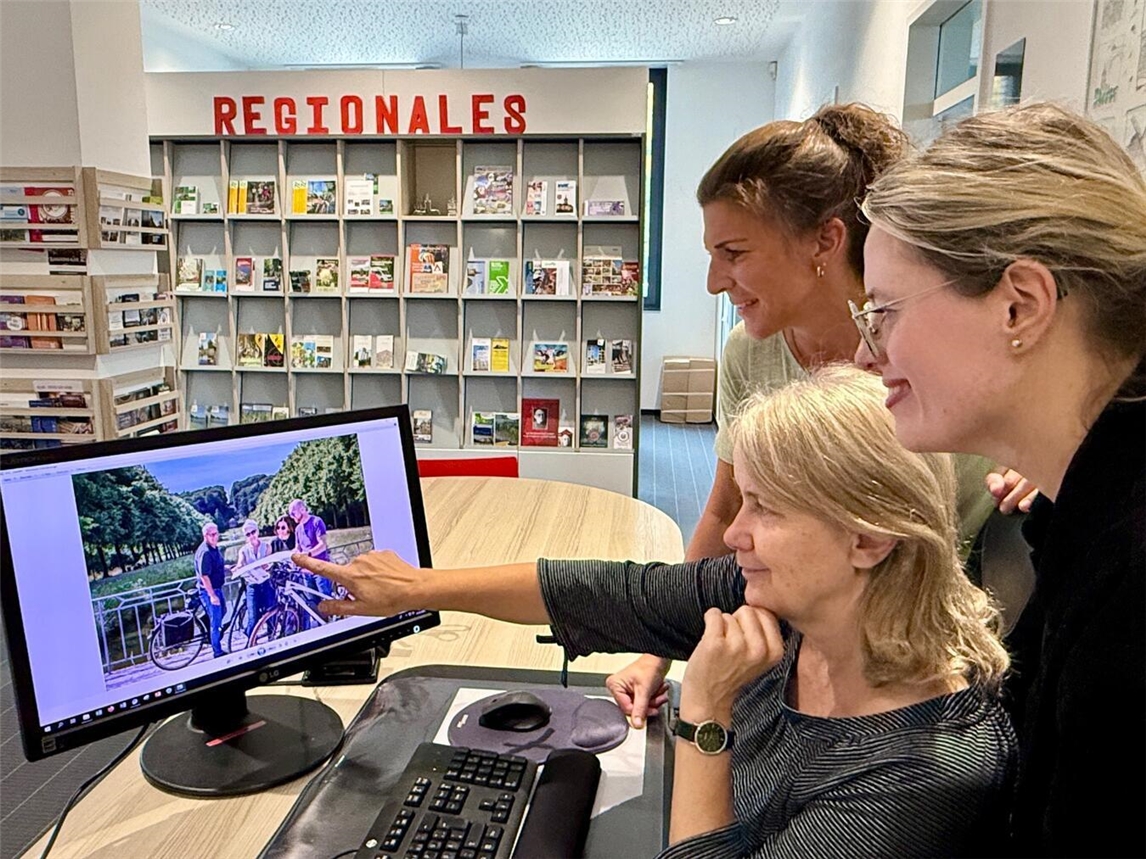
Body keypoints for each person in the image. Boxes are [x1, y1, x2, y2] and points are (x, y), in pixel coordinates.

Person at [296, 366, 1016, 857]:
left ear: (866, 537)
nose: (734, 534)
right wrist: (417, 587)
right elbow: (607, 591)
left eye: (765, 509)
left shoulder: (924, 772)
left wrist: (705, 711)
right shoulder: (798, 605)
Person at [610, 103, 1015, 729]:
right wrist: (659, 652)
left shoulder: (926, 351)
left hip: (917, 687)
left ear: (826, 239)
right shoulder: (752, 352)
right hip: (798, 660)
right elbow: (724, 510)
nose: (717, 281)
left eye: (735, 252)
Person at [854, 102, 1145, 857]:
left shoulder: (1132, 588)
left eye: (883, 312)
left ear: (1021, 304)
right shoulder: (1087, 516)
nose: (865, 354)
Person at [235, 519, 276, 637]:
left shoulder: (266, 546)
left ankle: (271, 636)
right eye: (248, 534)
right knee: (253, 616)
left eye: (253, 532)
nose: (251, 536)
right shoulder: (243, 550)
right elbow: (240, 563)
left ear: (257, 531)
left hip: (266, 583)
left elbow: (270, 562)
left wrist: (268, 566)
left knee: (270, 611)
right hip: (252, 585)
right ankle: (250, 640)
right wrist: (237, 568)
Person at [193, 522, 228, 658]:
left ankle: (213, 637)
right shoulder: (205, 552)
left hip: (217, 589)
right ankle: (217, 651)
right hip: (210, 591)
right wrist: (212, 595)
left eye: (216, 533)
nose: (215, 536)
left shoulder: (213, 548)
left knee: (222, 611)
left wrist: (228, 568)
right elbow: (204, 576)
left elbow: (216, 567)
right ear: (205, 536)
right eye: (211, 534)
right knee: (216, 621)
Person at [290, 498, 333, 598]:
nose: (292, 517)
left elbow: (323, 545)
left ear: (302, 509)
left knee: (326, 602)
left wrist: (308, 554)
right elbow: (298, 548)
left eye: (293, 513)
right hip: (306, 572)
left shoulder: (316, 522)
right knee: (312, 605)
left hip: (320, 569)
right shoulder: (297, 529)